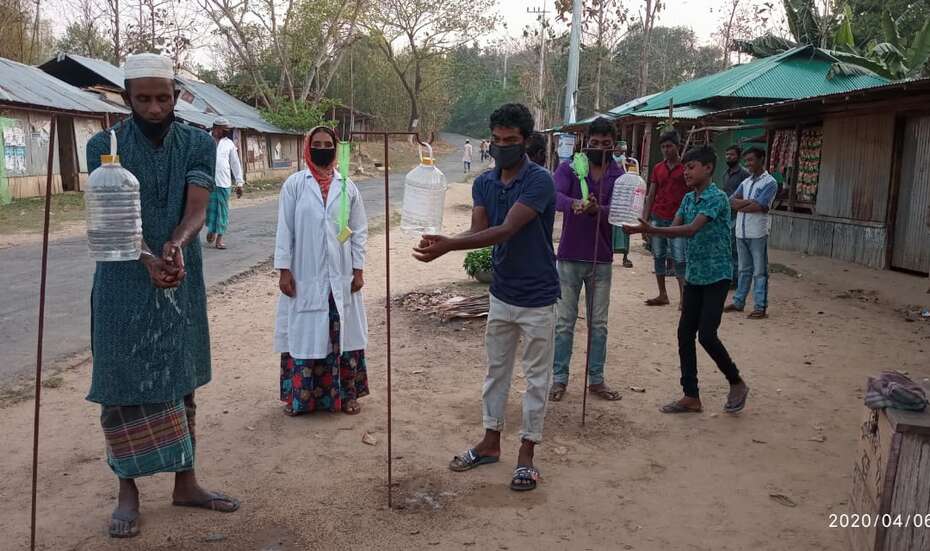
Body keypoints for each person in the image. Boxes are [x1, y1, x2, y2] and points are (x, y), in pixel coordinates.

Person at [85, 53, 239, 539]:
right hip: (120, 280)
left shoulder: (197, 143)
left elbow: (197, 206)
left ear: (176, 96)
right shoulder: (101, 146)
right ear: (127, 98)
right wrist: (146, 258)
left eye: (163, 97)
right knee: (120, 383)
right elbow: (111, 219)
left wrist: (174, 246)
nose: (154, 107)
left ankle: (185, 482)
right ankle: (127, 490)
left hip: (179, 274)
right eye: (144, 98)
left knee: (180, 379)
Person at [413, 103, 558, 492]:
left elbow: (505, 230)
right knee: (496, 372)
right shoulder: (484, 183)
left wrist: (448, 247)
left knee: (536, 379)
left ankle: (527, 453)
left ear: (526, 141)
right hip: (502, 292)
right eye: (496, 140)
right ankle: (491, 442)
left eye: (511, 141)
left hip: (539, 296)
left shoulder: (540, 182)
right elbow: (478, 229)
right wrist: (441, 237)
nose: (502, 147)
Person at [623, 145, 749, 415]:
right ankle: (691, 395)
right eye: (685, 168)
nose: (686, 173)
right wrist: (643, 228)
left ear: (708, 168)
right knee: (684, 333)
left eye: (691, 167)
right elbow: (674, 228)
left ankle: (736, 381)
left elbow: (691, 230)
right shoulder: (689, 199)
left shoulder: (717, 198)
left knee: (706, 334)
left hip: (716, 276)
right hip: (694, 275)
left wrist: (651, 228)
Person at [274, 126, 369, 415]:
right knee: (305, 334)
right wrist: (284, 270)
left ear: (336, 148)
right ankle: (301, 399)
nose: (323, 148)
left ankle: (347, 395)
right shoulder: (294, 185)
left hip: (340, 276)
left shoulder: (347, 186)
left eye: (328, 144)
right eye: (317, 143)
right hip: (306, 274)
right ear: (308, 146)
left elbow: (359, 231)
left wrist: (358, 269)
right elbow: (285, 229)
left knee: (345, 335)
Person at [549, 117, 623, 403]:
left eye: (606, 144)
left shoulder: (619, 175)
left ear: (614, 146)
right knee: (564, 322)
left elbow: (620, 212)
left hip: (600, 258)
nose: (600, 148)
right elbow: (553, 196)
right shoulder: (570, 168)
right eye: (595, 143)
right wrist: (575, 204)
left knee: (599, 324)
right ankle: (559, 378)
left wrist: (597, 210)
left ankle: (596, 379)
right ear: (586, 142)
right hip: (569, 256)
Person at [726, 147, 778, 319]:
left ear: (761, 159)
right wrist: (749, 202)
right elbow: (731, 202)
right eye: (746, 160)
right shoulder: (746, 182)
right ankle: (739, 301)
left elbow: (760, 206)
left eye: (751, 160)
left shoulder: (770, 182)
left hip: (757, 233)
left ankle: (760, 306)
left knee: (759, 271)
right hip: (741, 231)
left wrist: (743, 204)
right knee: (744, 269)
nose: (748, 164)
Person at [642, 131, 688, 307]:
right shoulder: (658, 168)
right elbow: (651, 194)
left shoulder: (685, 168)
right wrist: (645, 220)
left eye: (669, 146)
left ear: (678, 146)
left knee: (679, 258)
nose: (666, 150)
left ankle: (684, 298)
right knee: (658, 255)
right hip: (657, 216)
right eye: (663, 147)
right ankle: (662, 294)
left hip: (678, 219)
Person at [206, 117, 244, 250]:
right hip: (206, 182)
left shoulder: (229, 144)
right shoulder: (205, 139)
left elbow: (235, 163)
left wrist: (239, 183)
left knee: (223, 212)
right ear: (216, 128)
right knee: (209, 210)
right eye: (224, 129)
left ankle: (219, 239)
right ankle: (211, 230)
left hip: (223, 182)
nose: (227, 132)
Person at [723, 145, 750, 283]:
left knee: (735, 248)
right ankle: (730, 276)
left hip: (738, 215)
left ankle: (736, 278)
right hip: (726, 215)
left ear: (738, 157)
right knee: (727, 246)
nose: (729, 157)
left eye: (731, 155)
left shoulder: (744, 174)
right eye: (727, 154)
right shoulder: (726, 174)